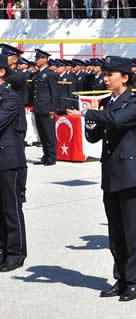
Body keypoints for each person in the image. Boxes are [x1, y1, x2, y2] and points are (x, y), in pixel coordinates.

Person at [68, 56, 136, 301]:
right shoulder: (106, 102)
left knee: (131, 231)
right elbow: (94, 138)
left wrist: (88, 113)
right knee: (115, 231)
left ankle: (135, 280)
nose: (105, 79)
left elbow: (117, 121)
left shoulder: (135, 102)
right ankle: (121, 277)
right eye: (104, 75)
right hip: (111, 173)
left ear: (124, 77)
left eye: (110, 75)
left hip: (131, 173)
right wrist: (91, 123)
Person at [0, 54, 26, 273]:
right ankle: (2, 249)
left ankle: (15, 253)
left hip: (8, 159)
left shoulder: (10, 96)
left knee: (10, 208)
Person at [31, 49, 59, 166]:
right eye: (36, 58)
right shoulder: (37, 74)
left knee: (49, 134)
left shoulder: (50, 74)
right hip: (38, 107)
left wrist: (53, 109)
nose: (36, 60)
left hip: (47, 108)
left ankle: (51, 157)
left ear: (45, 59)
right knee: (42, 134)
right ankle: (45, 156)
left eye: (38, 58)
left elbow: (55, 93)